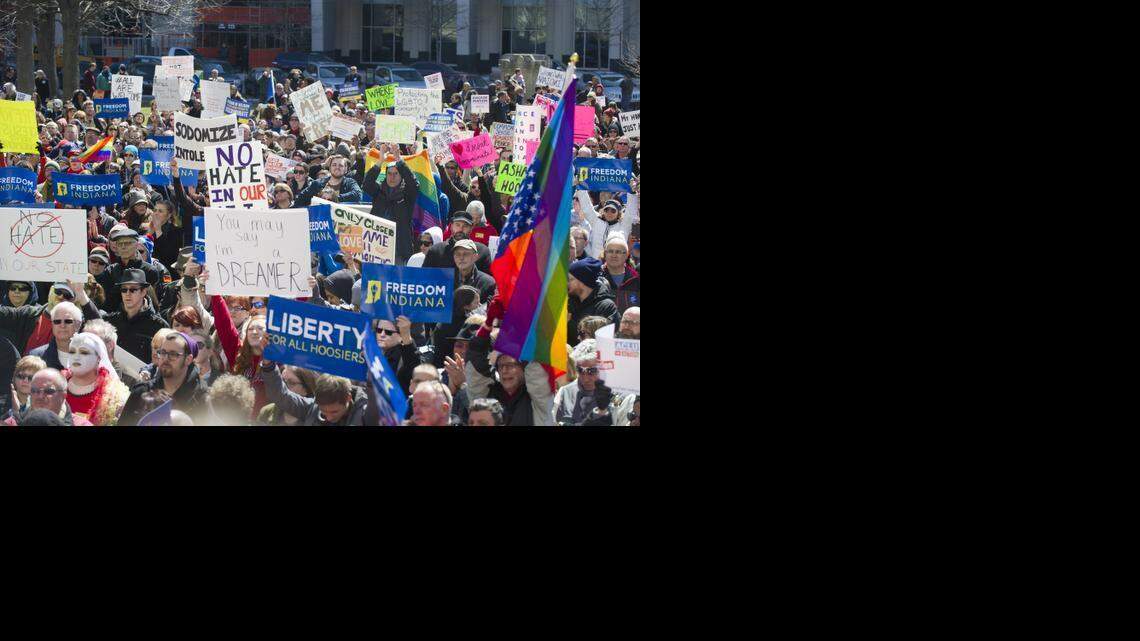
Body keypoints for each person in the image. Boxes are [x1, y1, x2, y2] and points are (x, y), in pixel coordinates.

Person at [119, 331, 209, 426]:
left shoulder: (201, 398)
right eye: (162, 352)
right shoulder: (142, 392)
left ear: (188, 360)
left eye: (173, 354)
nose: (165, 358)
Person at [553, 339, 633, 426]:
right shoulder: (565, 393)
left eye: (592, 371)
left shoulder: (624, 398)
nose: (585, 378)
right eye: (580, 370)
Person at [261, 362, 368, 427]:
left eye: (334, 411)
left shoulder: (366, 415)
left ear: (348, 398)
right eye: (323, 412)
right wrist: (268, 365)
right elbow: (280, 395)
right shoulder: (312, 408)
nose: (329, 418)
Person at [62, 332, 130, 426]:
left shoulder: (115, 396)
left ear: (98, 358)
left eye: (84, 352)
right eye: (72, 351)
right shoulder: (56, 383)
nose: (76, 357)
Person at [103, 269, 170, 363]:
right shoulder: (108, 321)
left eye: (133, 289)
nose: (127, 294)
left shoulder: (159, 326)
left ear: (143, 292)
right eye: (124, 289)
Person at [362, 154, 419, 263]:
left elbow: (414, 184)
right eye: (389, 174)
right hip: (376, 247)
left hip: (399, 249)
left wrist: (399, 161)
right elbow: (367, 184)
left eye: (396, 174)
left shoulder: (407, 194)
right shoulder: (378, 191)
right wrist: (380, 160)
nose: (392, 177)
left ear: (401, 176)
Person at [4, 368, 93, 427]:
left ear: (63, 396)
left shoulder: (81, 424)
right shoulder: (12, 423)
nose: (40, 396)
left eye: (49, 391)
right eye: (35, 391)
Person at [567, 258, 619, 347]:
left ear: (582, 281)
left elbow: (595, 338)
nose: (567, 283)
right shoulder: (568, 302)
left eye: (570, 279)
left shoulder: (606, 307)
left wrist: (569, 322)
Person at [423, 212, 492, 273]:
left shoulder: (482, 252)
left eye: (465, 226)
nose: (461, 229)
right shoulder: (436, 251)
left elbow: (488, 282)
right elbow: (424, 278)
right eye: (457, 225)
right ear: (451, 226)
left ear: (471, 228)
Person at [28, 300, 83, 370]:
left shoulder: (90, 355)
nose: (62, 325)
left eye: (68, 321)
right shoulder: (36, 356)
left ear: (78, 324)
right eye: (57, 321)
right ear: (52, 324)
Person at [294, 156, 363, 207]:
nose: (337, 167)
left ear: (346, 170)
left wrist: (334, 198)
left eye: (341, 165)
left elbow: (358, 195)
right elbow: (300, 199)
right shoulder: (318, 183)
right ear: (329, 168)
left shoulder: (350, 183)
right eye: (334, 165)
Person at [601, 233, 640, 312]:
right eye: (610, 251)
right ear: (605, 254)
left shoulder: (636, 279)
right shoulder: (597, 277)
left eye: (618, 252)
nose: (614, 255)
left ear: (626, 255)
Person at [452, 239, 497, 303]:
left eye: (466, 254)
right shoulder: (446, 280)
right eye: (457, 254)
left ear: (475, 257)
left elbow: (488, 310)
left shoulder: (488, 283)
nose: (461, 258)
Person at [2, 355, 46, 422]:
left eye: (31, 378)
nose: (25, 380)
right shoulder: (1, 403)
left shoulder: (46, 408)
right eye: (21, 376)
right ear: (14, 377)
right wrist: (13, 412)